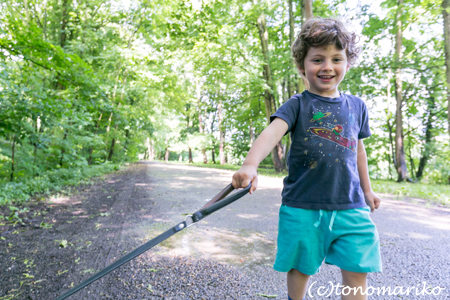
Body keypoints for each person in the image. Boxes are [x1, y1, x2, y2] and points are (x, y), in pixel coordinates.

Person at [231, 18, 382, 300]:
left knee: (358, 264)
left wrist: (367, 189)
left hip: (351, 206)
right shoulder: (298, 105)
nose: (327, 66)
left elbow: (359, 151)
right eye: (317, 59)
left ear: (347, 63)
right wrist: (249, 165)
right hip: (302, 206)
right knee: (301, 268)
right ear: (302, 66)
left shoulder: (357, 106)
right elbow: (270, 134)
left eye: (336, 58)